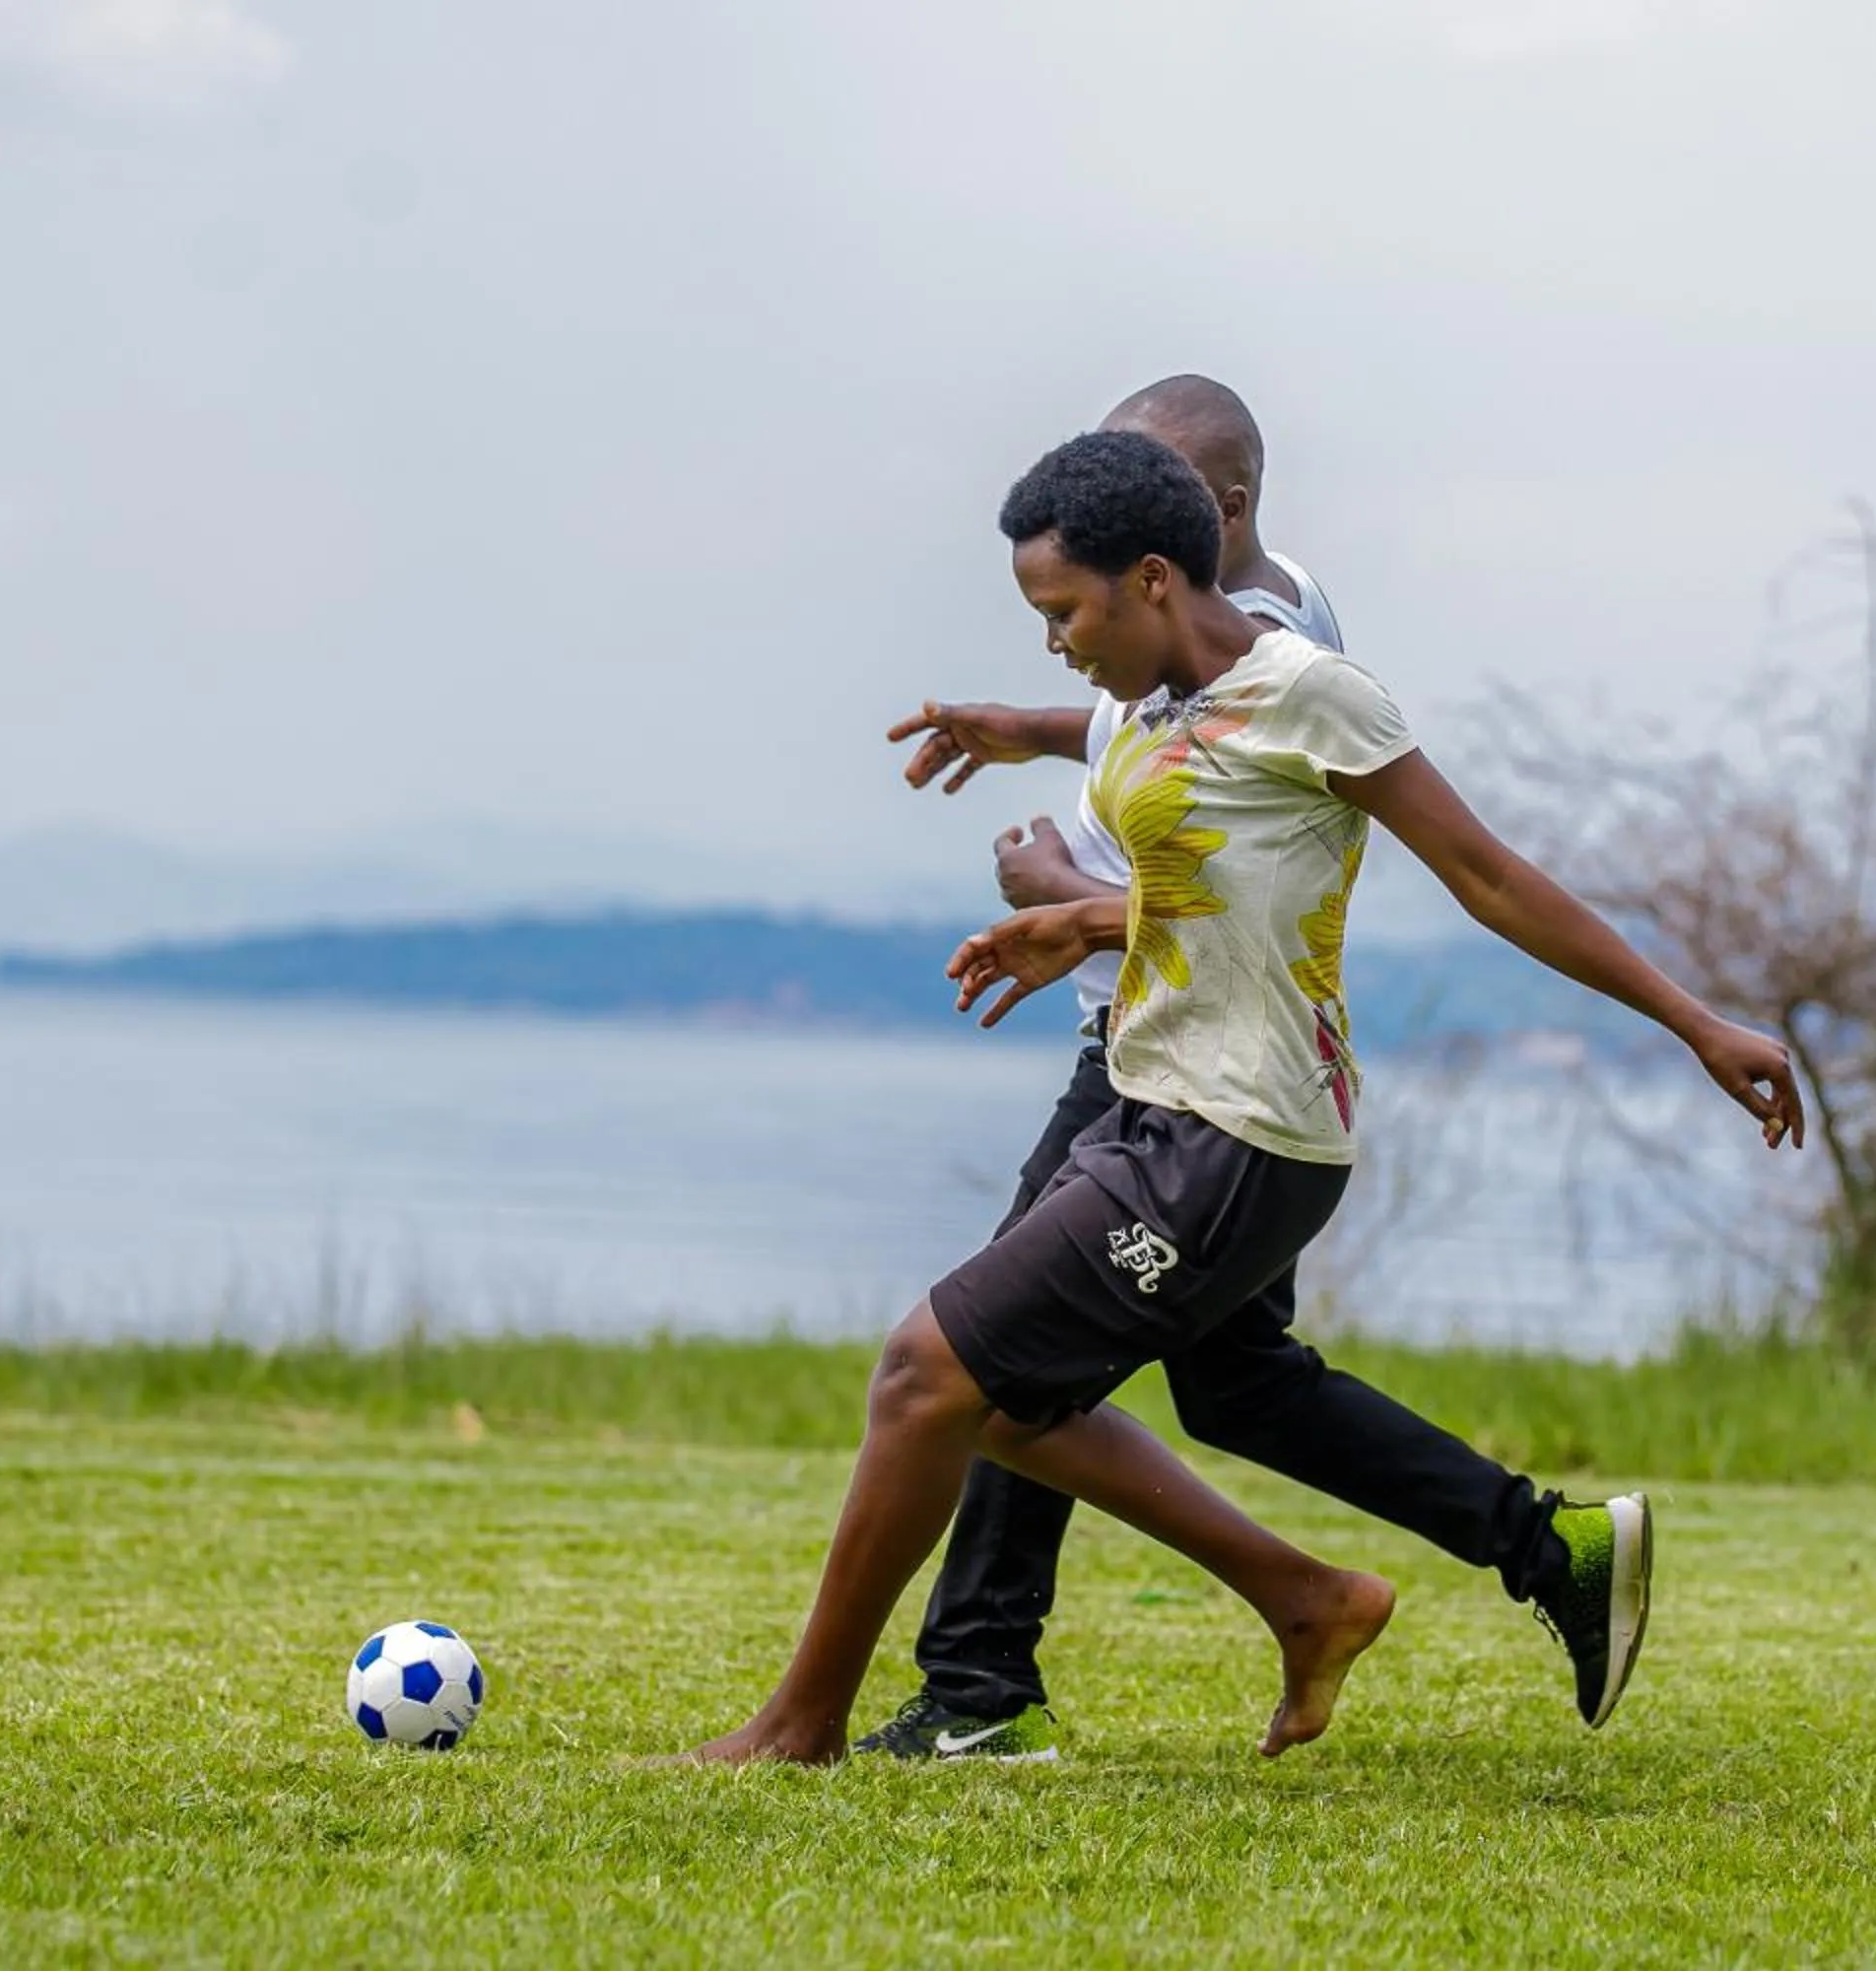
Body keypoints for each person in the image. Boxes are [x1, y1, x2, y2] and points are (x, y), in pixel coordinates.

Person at [683, 429, 1801, 1765]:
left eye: (1065, 611)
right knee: (1055, 1402)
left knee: (926, 1375)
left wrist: (1694, 1023)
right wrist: (1088, 925)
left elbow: (1489, 877)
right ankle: (1310, 1599)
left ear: (1153, 576)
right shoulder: (1153, 708)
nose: (1055, 645)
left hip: (1240, 1135)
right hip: (1160, 1107)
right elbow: (1223, 873)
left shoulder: (1314, 694)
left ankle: (803, 1725)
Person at [869, 378, 1642, 1765]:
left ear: (1197, 528)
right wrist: (1027, 727)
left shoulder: (1281, 652)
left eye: (1130, 497)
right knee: (1234, 1385)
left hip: (1191, 1076)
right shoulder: (1229, 616)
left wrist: (1067, 906)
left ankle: (980, 1688)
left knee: (984, 1359)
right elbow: (1160, 742)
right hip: (1171, 1050)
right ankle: (1543, 1548)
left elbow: (1270, 878)